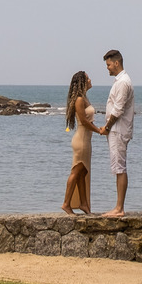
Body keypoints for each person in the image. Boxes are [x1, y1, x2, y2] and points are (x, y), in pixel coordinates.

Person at [96, 48, 134, 216]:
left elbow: (117, 110)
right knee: (118, 167)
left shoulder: (123, 83)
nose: (107, 68)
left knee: (119, 167)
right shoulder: (120, 81)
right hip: (116, 130)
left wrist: (107, 127)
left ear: (116, 63)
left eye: (109, 64)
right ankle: (118, 207)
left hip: (118, 130)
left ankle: (119, 208)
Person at [61, 70, 95, 214]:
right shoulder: (80, 100)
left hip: (86, 140)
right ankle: (66, 204)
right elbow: (84, 121)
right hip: (81, 140)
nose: (90, 80)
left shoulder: (84, 98)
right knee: (76, 171)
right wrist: (99, 130)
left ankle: (84, 204)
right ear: (82, 82)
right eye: (87, 78)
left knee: (82, 171)